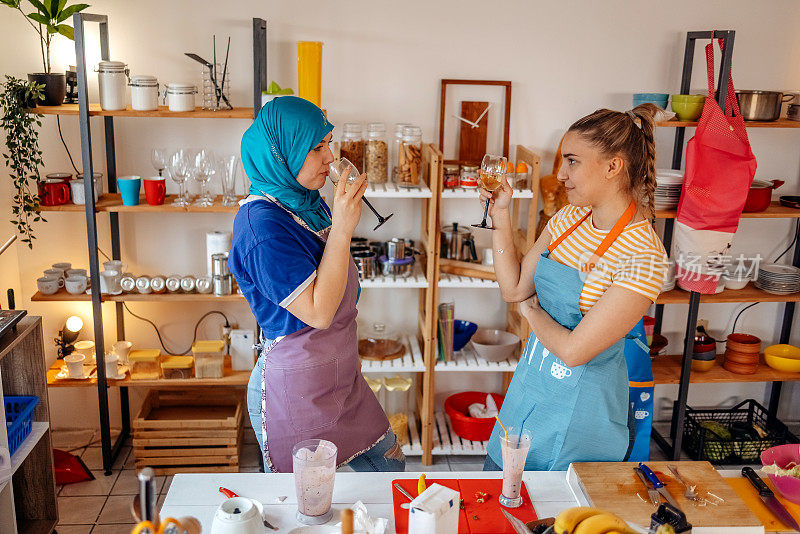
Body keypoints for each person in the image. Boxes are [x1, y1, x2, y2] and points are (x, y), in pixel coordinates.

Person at [481, 104, 668, 471]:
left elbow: (573, 351)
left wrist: (532, 312)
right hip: (530, 391)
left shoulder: (643, 255)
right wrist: (500, 214)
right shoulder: (569, 218)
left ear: (613, 166)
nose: (561, 174)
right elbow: (515, 289)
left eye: (572, 161)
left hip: (582, 416)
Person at [229, 96, 405, 473]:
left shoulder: (308, 203)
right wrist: (343, 226)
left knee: (389, 472)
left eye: (328, 143)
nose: (330, 157)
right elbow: (320, 312)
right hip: (298, 390)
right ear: (283, 153)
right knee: (309, 509)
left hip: (342, 378)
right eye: (316, 147)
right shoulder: (262, 228)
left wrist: (339, 220)